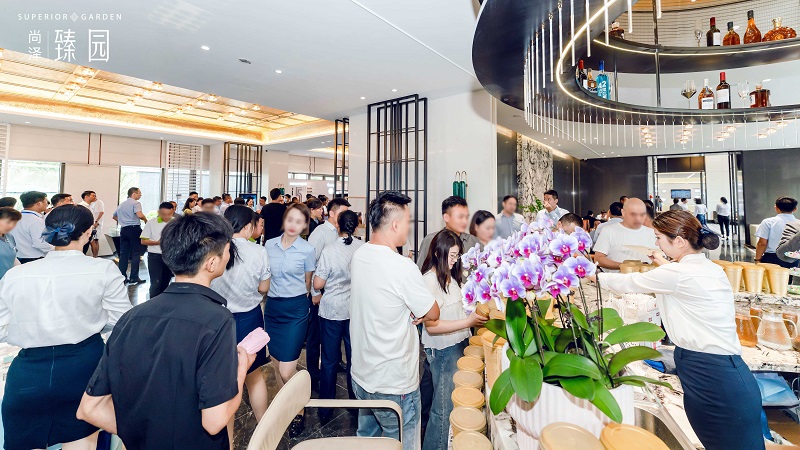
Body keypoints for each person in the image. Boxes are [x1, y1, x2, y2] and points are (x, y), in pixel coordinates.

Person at [78, 213, 254, 449]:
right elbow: (215, 421)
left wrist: (146, 436)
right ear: (212, 263)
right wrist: (241, 368)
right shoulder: (217, 320)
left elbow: (90, 408)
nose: (229, 255)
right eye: (227, 251)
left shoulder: (132, 317)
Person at [595, 210, 764, 450]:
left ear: (680, 241)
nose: (656, 243)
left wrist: (588, 274)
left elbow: (628, 282)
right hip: (724, 374)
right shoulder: (709, 268)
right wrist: (661, 260)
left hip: (711, 377)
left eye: (658, 238)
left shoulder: (677, 273)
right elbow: (679, 278)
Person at [1, 205, 131, 450]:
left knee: (25, 441)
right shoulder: (102, 269)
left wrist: (30, 330)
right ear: (88, 232)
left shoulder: (17, 274)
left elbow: (1, 328)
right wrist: (93, 324)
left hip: (29, 370)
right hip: (83, 365)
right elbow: (124, 321)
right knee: (81, 442)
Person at [351, 191, 439, 449]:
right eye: (408, 222)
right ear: (395, 225)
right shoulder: (401, 266)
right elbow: (433, 312)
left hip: (362, 374)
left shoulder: (359, 255)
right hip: (394, 384)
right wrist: (415, 308)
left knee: (367, 441)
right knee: (403, 442)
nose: (408, 228)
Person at [419, 230, 487, 450]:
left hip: (457, 345)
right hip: (443, 352)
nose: (455, 260)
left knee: (445, 405)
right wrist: (468, 322)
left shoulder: (448, 276)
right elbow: (432, 326)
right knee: (443, 410)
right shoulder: (429, 281)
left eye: (457, 256)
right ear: (438, 253)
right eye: (452, 255)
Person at [211, 205, 271, 443]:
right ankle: (265, 434)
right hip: (249, 318)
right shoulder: (259, 251)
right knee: (254, 376)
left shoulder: (215, 248)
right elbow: (264, 288)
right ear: (248, 226)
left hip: (218, 319)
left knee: (225, 382)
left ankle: (229, 443)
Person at [263, 203, 316, 436]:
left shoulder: (307, 249)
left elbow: (307, 282)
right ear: (284, 220)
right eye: (290, 219)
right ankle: (285, 405)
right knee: (276, 364)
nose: (293, 225)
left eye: (299, 221)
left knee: (287, 370)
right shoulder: (269, 245)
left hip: (295, 309)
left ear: (305, 226)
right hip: (273, 308)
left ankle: (300, 409)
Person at [312, 210, 363, 424]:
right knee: (354, 359)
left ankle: (326, 408)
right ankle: (356, 403)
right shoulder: (362, 248)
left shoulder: (330, 250)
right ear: (356, 226)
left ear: (337, 226)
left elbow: (318, 284)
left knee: (329, 360)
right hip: (354, 310)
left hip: (332, 310)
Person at [306, 197, 351, 389]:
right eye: (342, 213)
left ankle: (334, 363)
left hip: (335, 290)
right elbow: (310, 263)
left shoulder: (341, 235)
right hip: (321, 289)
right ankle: (313, 375)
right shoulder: (320, 233)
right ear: (331, 213)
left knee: (332, 338)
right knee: (316, 336)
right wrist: (314, 291)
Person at [594, 198, 657, 271]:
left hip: (646, 277)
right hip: (617, 277)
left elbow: (661, 257)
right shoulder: (608, 230)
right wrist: (625, 266)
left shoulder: (652, 233)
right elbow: (598, 259)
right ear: (623, 212)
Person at [417, 196, 479, 270]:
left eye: (466, 217)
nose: (465, 221)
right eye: (460, 217)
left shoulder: (474, 242)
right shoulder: (431, 240)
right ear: (446, 217)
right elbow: (420, 270)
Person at [140, 202, 176, 298]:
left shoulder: (176, 223)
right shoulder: (151, 223)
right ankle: (153, 303)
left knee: (166, 282)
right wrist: (158, 242)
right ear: (159, 212)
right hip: (155, 256)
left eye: (169, 214)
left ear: (173, 212)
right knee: (156, 283)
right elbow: (143, 241)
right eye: (164, 214)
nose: (166, 217)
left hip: (170, 256)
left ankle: (162, 303)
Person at [113, 187, 148, 284]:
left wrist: (123, 222)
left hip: (124, 230)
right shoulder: (136, 203)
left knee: (123, 254)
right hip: (134, 229)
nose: (141, 195)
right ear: (133, 194)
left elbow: (114, 216)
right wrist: (145, 220)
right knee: (136, 253)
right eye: (139, 193)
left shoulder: (121, 205)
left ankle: (123, 277)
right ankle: (134, 277)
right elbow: (139, 215)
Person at [9, 191, 53, 264]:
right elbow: (40, 243)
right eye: (46, 202)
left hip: (18, 258)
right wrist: (56, 250)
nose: (47, 204)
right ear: (39, 203)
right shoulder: (35, 220)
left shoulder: (15, 217)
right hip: (34, 259)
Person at [756, 196, 799, 268]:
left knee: (770, 275)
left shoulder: (768, 222)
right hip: (793, 258)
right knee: (790, 275)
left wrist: (757, 259)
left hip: (771, 258)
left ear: (776, 208)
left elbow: (762, 243)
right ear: (795, 209)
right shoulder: (798, 223)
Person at [77, 191, 105, 258]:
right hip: (83, 230)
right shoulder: (80, 206)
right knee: (84, 246)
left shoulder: (90, 206)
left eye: (95, 195)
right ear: (86, 197)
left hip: (90, 229)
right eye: (93, 195)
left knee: (92, 243)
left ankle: (95, 258)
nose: (95, 197)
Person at [0, 207, 21, 279]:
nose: (11, 226)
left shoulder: (9, 237)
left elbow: (13, 258)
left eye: (14, 223)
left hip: (8, 279)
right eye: (8, 222)